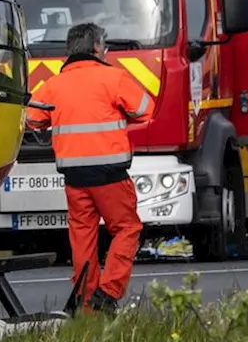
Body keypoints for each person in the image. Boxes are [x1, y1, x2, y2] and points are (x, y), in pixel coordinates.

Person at [24, 23, 153, 315]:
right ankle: (108, 293)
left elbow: (32, 119)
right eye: (104, 45)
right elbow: (146, 109)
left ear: (69, 51)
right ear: (97, 48)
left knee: (83, 239)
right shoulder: (114, 78)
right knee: (127, 228)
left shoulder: (54, 85)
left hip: (74, 178)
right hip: (109, 175)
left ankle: (87, 303)